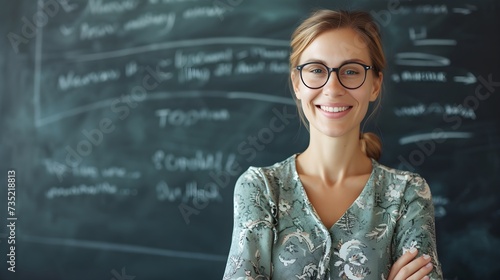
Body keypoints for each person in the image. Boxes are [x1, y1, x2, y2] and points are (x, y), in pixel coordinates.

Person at [223, 9, 442, 280]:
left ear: (375, 84)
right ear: (297, 84)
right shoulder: (261, 189)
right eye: (316, 70)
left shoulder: (408, 195)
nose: (333, 87)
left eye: (351, 71)